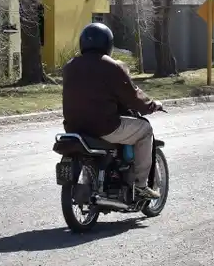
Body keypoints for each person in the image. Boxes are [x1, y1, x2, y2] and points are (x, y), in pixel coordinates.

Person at [62, 22, 162, 199]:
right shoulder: (111, 66)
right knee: (145, 130)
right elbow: (133, 96)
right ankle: (140, 185)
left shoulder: (70, 66)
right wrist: (151, 105)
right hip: (105, 127)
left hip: (74, 128)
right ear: (107, 43)